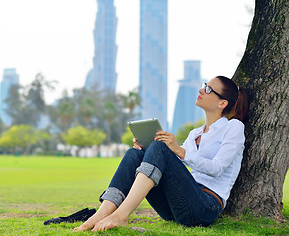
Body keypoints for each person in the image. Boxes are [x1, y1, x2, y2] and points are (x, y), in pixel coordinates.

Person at [74, 76, 250, 232]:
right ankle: (102, 213)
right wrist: (147, 149)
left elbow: (217, 168)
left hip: (204, 207)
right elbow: (175, 167)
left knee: (161, 148)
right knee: (134, 154)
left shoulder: (233, 127)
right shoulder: (195, 133)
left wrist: (178, 150)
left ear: (222, 103)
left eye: (208, 89)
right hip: (175, 207)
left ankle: (121, 215)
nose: (201, 90)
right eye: (205, 85)